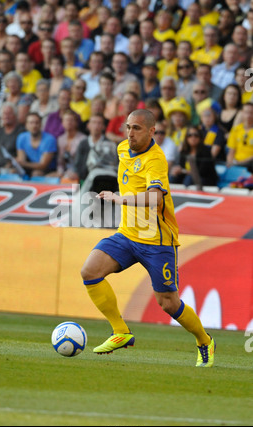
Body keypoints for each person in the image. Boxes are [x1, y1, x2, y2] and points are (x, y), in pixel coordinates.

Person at [81, 109, 216, 367]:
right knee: (90, 271)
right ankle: (121, 332)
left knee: (168, 303)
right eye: (128, 127)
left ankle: (204, 341)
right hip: (128, 234)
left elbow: (155, 198)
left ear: (152, 131)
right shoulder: (122, 149)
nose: (130, 133)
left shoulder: (156, 160)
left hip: (157, 241)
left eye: (137, 128)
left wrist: (122, 199)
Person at [16, 112, 57, 177]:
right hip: (29, 167)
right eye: (31, 123)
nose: (34, 125)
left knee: (36, 174)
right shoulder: (21, 137)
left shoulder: (49, 139)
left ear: (41, 124)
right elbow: (21, 159)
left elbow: (43, 165)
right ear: (26, 125)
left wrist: (23, 163)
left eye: (37, 123)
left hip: (47, 170)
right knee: (12, 171)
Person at [0, 102, 25, 173]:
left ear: (15, 115)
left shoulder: (21, 132)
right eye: (4, 114)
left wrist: (9, 165)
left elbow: (21, 158)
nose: (6, 116)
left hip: (13, 169)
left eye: (9, 114)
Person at [56, 109, 87, 181]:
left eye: (71, 120)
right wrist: (60, 172)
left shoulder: (83, 139)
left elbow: (84, 162)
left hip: (79, 174)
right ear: (62, 123)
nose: (69, 122)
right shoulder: (60, 139)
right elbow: (60, 162)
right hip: (64, 173)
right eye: (66, 120)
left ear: (76, 123)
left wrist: (77, 173)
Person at [226, 102, 253, 171]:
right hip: (236, 164)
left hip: (250, 165)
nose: (248, 116)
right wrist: (230, 162)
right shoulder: (236, 129)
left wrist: (239, 163)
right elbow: (231, 150)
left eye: (251, 113)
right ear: (242, 113)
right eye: (246, 112)